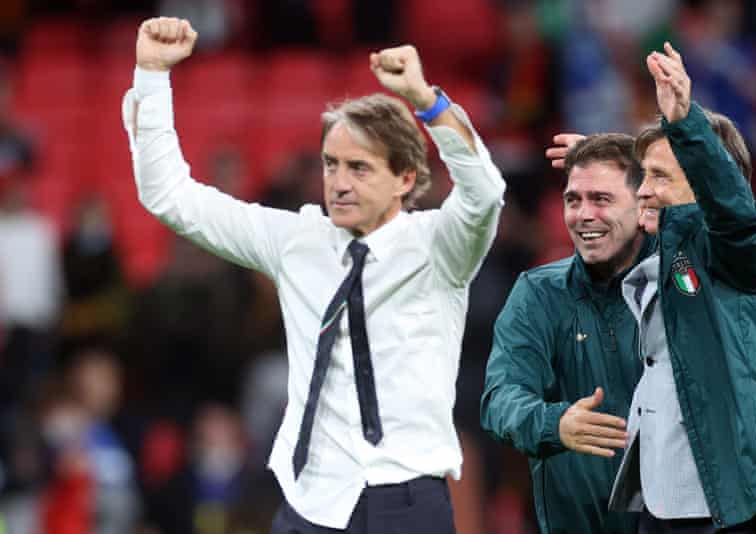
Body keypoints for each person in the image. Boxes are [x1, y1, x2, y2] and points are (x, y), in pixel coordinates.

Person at [123, 17, 506, 534]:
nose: (339, 183)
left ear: (405, 179)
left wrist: (426, 99)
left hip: (409, 499)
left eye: (359, 168)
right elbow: (168, 195)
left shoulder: (440, 246)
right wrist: (151, 74)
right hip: (311, 500)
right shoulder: (295, 241)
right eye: (331, 165)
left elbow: (484, 193)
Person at [480, 130, 756, 534]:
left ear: (642, 202)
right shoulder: (539, 294)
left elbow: (751, 357)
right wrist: (553, 424)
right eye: (573, 200)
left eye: (602, 199)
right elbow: (499, 399)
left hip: (687, 520)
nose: (583, 214)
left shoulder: (688, 274)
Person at [608, 43, 756, 533]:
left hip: (730, 504)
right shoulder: (667, 262)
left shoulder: (748, 250)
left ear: (707, 179)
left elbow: (735, 219)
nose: (643, 189)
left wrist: (685, 122)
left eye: (660, 176)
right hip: (665, 501)